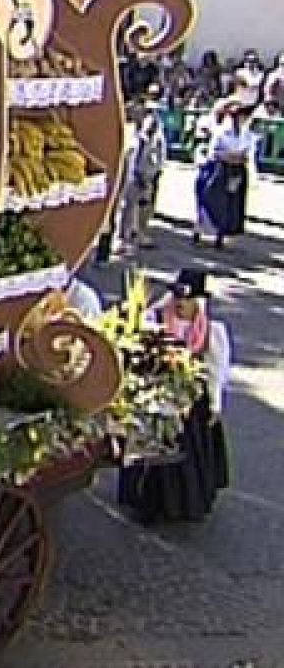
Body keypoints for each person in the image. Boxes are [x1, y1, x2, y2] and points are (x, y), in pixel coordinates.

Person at [119, 270, 231, 522]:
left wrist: (214, 403)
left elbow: (216, 371)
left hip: (190, 402)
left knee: (186, 455)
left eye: (187, 299)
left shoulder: (211, 332)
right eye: (177, 297)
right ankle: (146, 502)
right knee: (154, 453)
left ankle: (185, 504)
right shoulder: (155, 319)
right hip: (157, 396)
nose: (180, 304)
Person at [193, 101, 257, 249]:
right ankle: (201, 230)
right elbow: (213, 152)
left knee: (231, 204)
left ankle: (221, 235)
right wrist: (228, 156)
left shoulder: (247, 135)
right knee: (214, 200)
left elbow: (248, 154)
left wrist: (238, 158)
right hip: (220, 168)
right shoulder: (222, 132)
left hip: (237, 170)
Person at [117, 100, 167, 255]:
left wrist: (153, 172)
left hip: (148, 175)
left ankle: (138, 235)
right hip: (133, 175)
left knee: (144, 207)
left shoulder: (155, 138)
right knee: (127, 207)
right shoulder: (135, 136)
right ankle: (121, 240)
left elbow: (158, 157)